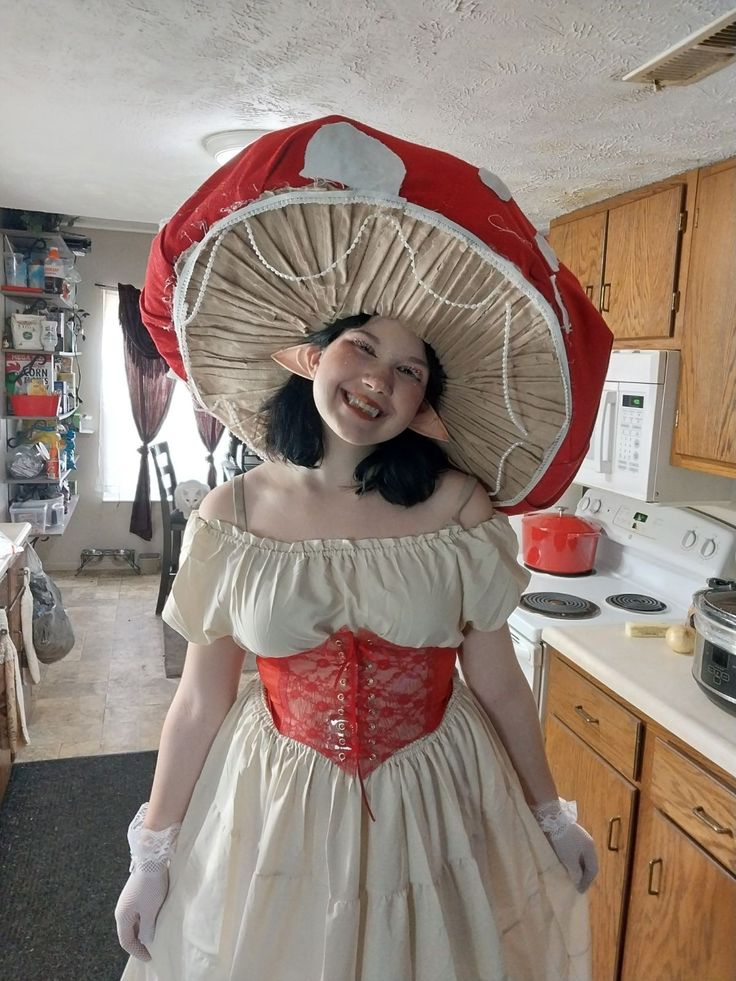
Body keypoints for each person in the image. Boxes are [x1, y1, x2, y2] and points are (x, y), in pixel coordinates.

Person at [115, 116, 612, 981]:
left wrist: (545, 813)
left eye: (412, 368)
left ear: (424, 405)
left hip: (440, 798)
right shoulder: (232, 514)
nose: (381, 376)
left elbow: (494, 675)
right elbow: (201, 700)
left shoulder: (460, 510)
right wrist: (153, 851)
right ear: (311, 358)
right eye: (363, 346)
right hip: (272, 800)